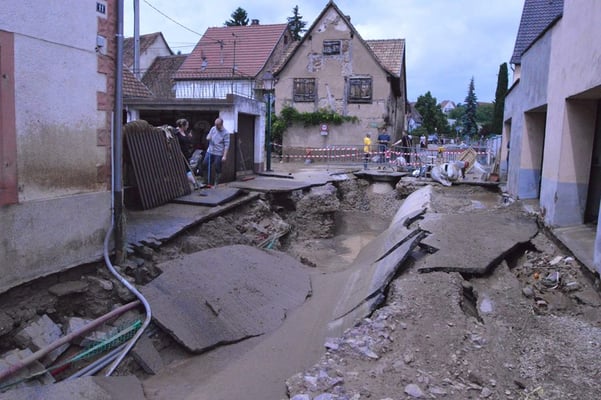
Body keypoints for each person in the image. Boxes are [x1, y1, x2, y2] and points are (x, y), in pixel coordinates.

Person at [200, 118, 230, 187]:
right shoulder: (213, 128)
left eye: (217, 125)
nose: (216, 126)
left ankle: (216, 182)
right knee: (205, 164)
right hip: (210, 151)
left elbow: (227, 145)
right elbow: (208, 136)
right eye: (215, 124)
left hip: (218, 153)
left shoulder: (226, 133)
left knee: (217, 167)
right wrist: (208, 137)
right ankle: (206, 181)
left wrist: (224, 156)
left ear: (221, 124)